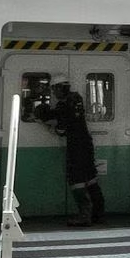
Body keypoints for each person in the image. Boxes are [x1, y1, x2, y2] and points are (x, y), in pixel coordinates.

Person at [36, 74, 105, 226]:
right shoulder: (77, 99)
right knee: (90, 177)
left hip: (76, 146)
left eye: (54, 89)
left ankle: (85, 215)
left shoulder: (63, 105)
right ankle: (98, 214)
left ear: (60, 88)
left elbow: (61, 128)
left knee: (76, 180)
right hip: (86, 143)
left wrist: (44, 117)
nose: (54, 93)